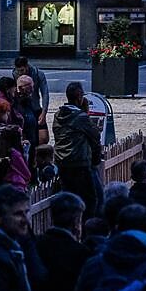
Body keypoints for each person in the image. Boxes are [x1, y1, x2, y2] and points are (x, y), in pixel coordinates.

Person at [53, 82, 103, 211]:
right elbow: (95, 136)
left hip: (62, 162)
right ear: (80, 97)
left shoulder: (58, 115)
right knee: (92, 200)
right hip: (80, 163)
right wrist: (85, 113)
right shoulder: (81, 117)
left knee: (69, 198)